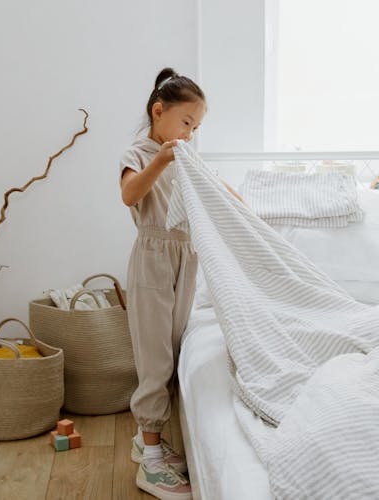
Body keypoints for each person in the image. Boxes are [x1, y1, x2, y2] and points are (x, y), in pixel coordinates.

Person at [119, 67, 242, 499]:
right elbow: (130, 194)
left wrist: (237, 203)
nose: (191, 133)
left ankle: (145, 442)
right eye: (187, 123)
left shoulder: (186, 156)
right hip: (153, 258)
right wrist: (161, 158)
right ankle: (150, 463)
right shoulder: (141, 151)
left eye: (197, 126)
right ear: (159, 112)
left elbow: (210, 184)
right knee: (153, 358)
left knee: (170, 351)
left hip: (184, 258)